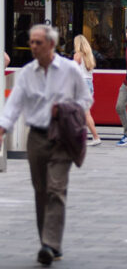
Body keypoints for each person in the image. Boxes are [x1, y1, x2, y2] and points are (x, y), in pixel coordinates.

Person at [0, 25, 92, 266]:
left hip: (62, 138)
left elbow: (86, 99)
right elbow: (14, 105)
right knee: (41, 191)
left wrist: (66, 109)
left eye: (38, 42)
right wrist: (2, 128)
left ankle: (49, 245)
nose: (33, 47)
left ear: (51, 45)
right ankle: (49, 243)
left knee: (56, 190)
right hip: (37, 138)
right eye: (31, 42)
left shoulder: (70, 70)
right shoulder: (28, 72)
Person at [73, 35, 101, 146]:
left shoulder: (77, 55)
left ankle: (96, 137)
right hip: (89, 85)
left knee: (85, 114)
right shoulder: (89, 56)